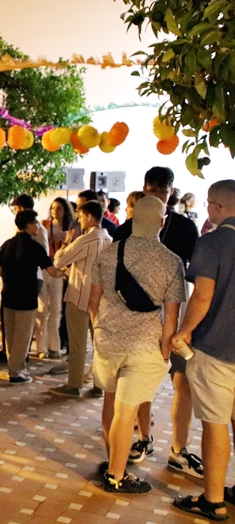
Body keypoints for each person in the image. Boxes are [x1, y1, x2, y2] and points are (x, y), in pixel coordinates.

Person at [90, 196, 186, 494]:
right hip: (145, 347)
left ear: (132, 219)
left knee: (111, 402)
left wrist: (99, 330)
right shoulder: (171, 261)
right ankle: (116, 475)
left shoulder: (108, 253)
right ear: (161, 222)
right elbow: (171, 316)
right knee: (126, 410)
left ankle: (111, 461)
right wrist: (166, 351)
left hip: (109, 341)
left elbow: (93, 301)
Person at [113, 167, 202, 477]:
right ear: (145, 189)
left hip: (176, 316)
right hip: (138, 321)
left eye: (163, 192)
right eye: (153, 192)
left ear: (172, 191)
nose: (159, 197)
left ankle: (179, 449)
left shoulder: (184, 229)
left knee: (182, 380)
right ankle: (143, 437)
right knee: (137, 380)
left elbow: (191, 278)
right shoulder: (124, 230)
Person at [171, 179, 235, 521]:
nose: (208, 209)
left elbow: (203, 296)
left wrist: (183, 332)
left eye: (211, 203)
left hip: (216, 347)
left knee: (215, 423)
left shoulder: (212, 243)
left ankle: (213, 499)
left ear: (220, 207)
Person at [50, 200, 112, 398]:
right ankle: (99, 385)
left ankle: (74, 384)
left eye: (81, 216)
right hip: (101, 299)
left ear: (89, 217)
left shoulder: (86, 239)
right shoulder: (108, 239)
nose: (79, 220)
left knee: (77, 344)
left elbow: (59, 260)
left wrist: (67, 242)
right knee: (100, 344)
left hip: (80, 296)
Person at [0, 210, 63, 384]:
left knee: (10, 336)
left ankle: (13, 368)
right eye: (35, 222)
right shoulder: (35, 247)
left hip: (8, 295)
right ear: (28, 225)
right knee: (23, 336)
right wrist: (66, 273)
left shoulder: (6, 245)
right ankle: (16, 372)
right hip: (26, 297)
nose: (38, 226)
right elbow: (51, 271)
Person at [39, 198, 73, 359]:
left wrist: (65, 240)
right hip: (45, 266)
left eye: (59, 208)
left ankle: (55, 346)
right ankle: (41, 346)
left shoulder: (71, 227)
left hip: (60, 268)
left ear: (65, 210)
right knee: (42, 308)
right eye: (53, 208)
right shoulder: (44, 224)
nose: (55, 211)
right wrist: (50, 239)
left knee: (56, 309)